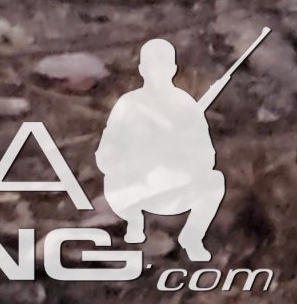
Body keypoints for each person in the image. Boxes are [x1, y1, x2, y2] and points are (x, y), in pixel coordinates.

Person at [96, 39, 225, 262]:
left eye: (164, 66)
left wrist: (182, 155)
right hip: (134, 186)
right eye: (152, 67)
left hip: (174, 186)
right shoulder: (129, 104)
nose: (158, 73)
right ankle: (135, 229)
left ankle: (192, 237)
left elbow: (206, 155)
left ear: (173, 69)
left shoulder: (186, 105)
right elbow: (106, 152)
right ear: (142, 70)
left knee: (214, 181)